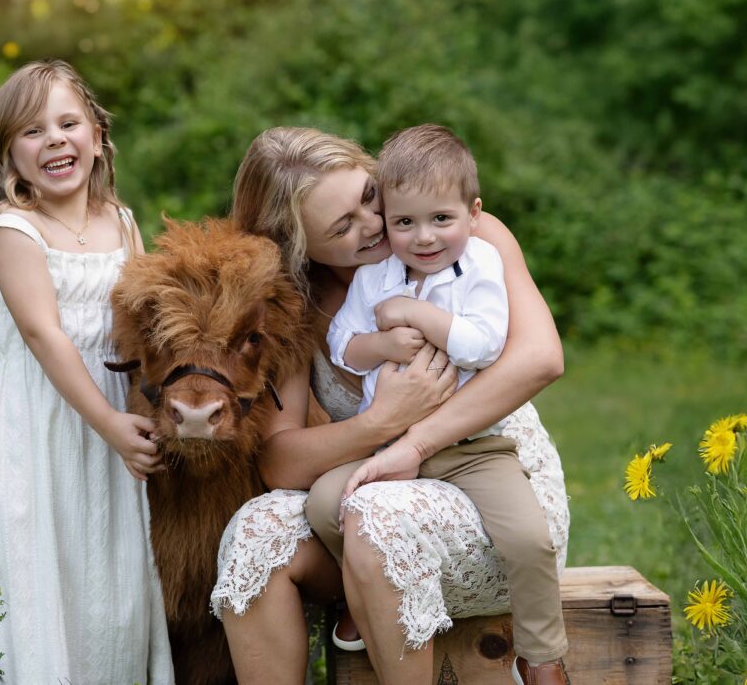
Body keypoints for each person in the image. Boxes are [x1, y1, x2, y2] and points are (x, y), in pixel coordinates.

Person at [211, 127, 570, 685]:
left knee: (375, 517)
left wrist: (414, 440)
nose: (376, 225)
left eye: (368, 198)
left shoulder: (465, 235)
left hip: (494, 478)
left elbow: (541, 358)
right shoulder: (295, 303)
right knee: (255, 532)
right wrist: (383, 420)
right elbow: (281, 463)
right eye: (342, 227)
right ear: (298, 248)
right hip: (374, 481)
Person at [0, 59, 174, 684]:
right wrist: (108, 421)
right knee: (38, 582)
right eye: (31, 131)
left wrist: (141, 409)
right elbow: (43, 334)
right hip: (38, 425)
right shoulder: (13, 228)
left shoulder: (122, 221)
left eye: (67, 123)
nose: (54, 139)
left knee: (113, 588)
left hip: (114, 420)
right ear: (9, 158)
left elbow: (142, 323)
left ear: (98, 137)